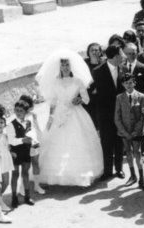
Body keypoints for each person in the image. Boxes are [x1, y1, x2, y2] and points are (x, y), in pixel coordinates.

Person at [38, 50, 104, 186]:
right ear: (59, 67)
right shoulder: (55, 82)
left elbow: (87, 99)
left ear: (71, 66)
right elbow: (53, 101)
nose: (65, 67)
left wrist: (79, 99)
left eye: (67, 65)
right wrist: (51, 117)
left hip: (76, 113)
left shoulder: (78, 80)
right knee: (56, 142)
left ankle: (80, 176)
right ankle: (56, 176)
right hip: (59, 114)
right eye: (63, 65)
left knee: (77, 141)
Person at [114, 73, 144, 188]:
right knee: (128, 152)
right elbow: (117, 117)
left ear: (134, 83)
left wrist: (135, 131)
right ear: (123, 84)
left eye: (131, 82)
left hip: (136, 131)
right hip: (124, 132)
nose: (128, 85)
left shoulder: (141, 96)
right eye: (126, 83)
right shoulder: (119, 98)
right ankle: (133, 175)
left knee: (137, 153)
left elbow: (143, 116)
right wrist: (124, 132)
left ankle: (142, 178)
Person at [6, 100, 36, 208]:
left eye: (21, 111)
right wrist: (23, 140)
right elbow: (11, 140)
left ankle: (27, 197)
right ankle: (14, 198)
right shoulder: (11, 125)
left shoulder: (28, 122)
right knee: (15, 174)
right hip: (16, 152)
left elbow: (32, 134)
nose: (19, 113)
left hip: (26, 150)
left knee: (26, 173)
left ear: (26, 112)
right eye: (17, 110)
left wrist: (33, 142)